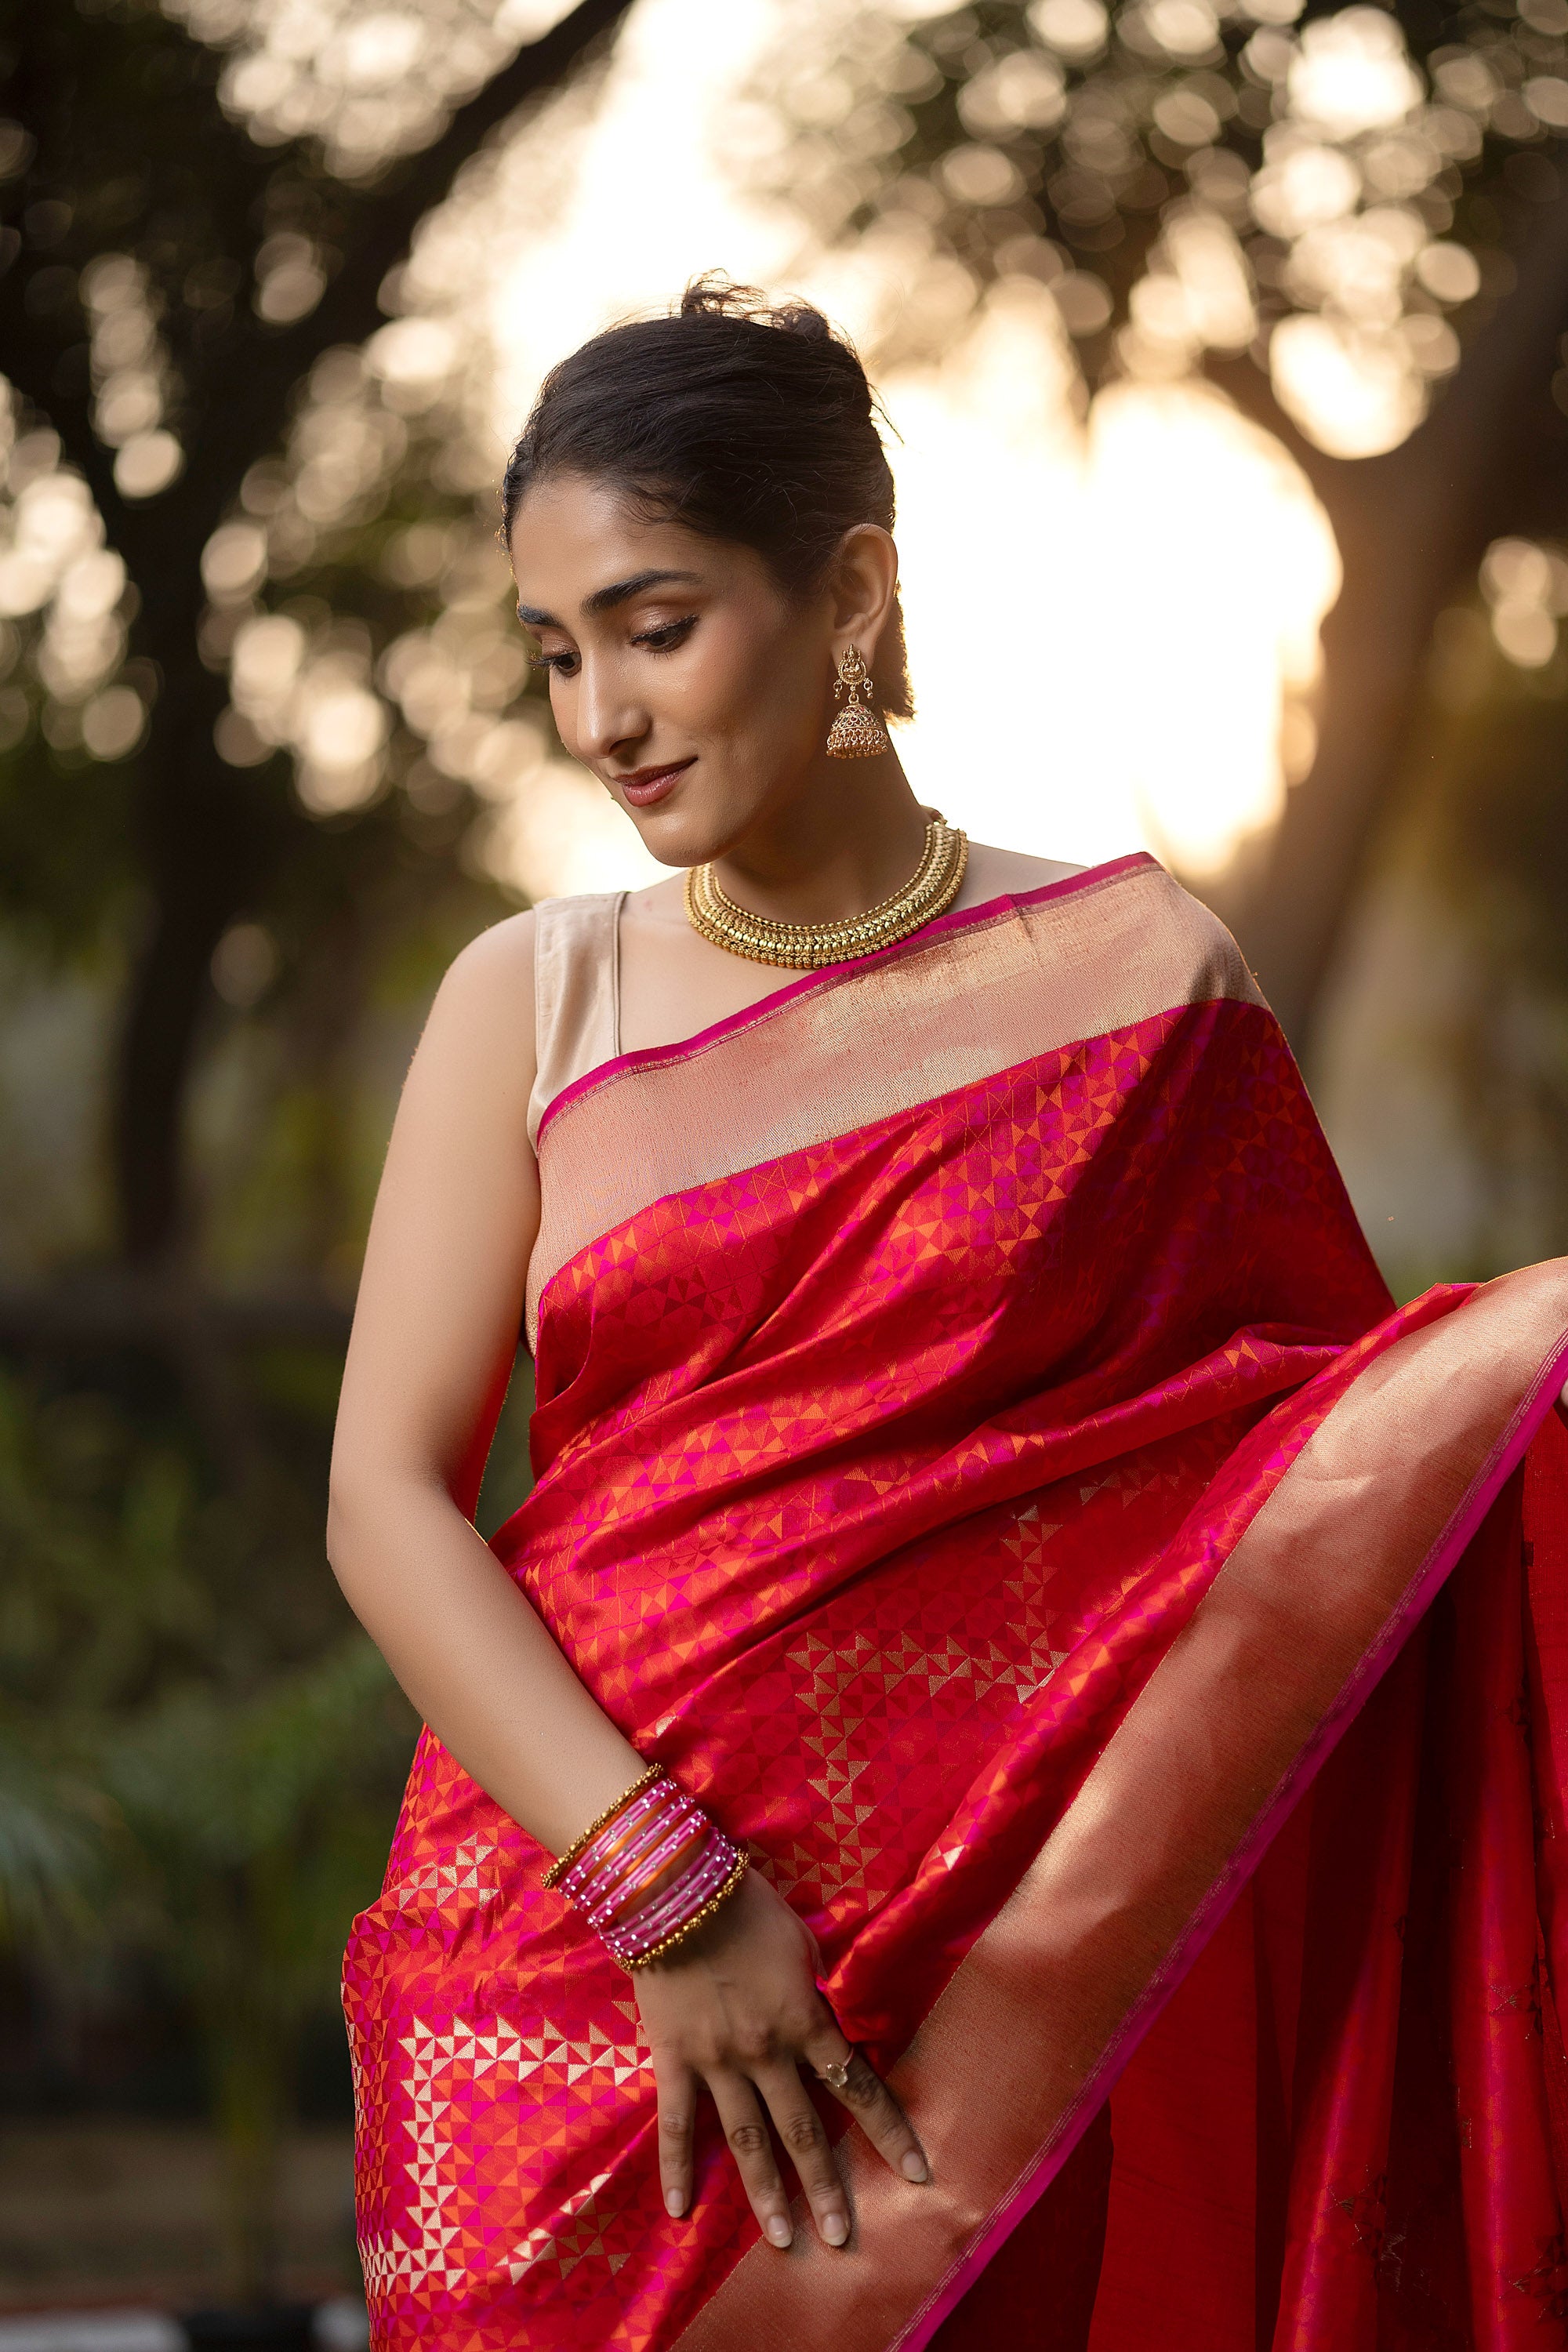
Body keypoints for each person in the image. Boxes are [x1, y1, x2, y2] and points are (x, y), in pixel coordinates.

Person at [328, 279, 1568, 2352]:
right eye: (556, 655)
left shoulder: (1141, 984)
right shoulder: (534, 1003)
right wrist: (670, 1892)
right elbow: (386, 1498)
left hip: (995, 1964)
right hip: (560, 1978)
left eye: (654, 627)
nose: (599, 719)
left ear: (851, 594)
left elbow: (1307, 1502)